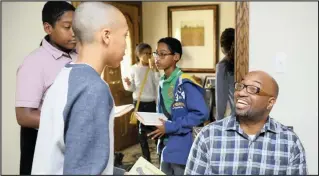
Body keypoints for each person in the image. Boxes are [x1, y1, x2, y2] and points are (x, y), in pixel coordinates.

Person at [31, 2, 129, 175]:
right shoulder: (93, 89)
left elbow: (75, 157)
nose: (126, 47)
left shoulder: (66, 75)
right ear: (106, 35)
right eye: (124, 36)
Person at [185, 70, 308, 175]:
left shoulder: (290, 143)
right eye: (241, 86)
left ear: (270, 102)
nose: (241, 93)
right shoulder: (209, 136)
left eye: (253, 89)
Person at [15, 1, 76, 175]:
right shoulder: (34, 63)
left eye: (76, 27)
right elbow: (24, 116)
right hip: (43, 144)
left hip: (71, 143)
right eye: (67, 27)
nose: (74, 33)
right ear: (48, 28)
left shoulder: (79, 55)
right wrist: (71, 122)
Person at [148, 37, 209, 175]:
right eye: (156, 53)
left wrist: (170, 127)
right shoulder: (163, 81)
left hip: (182, 145)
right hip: (165, 144)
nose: (157, 58)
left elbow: (201, 113)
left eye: (163, 54)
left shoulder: (184, 82)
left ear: (176, 57)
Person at [123, 43, 161, 163]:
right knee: (141, 132)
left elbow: (158, 84)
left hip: (151, 103)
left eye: (150, 53)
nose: (149, 56)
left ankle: (160, 155)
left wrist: (155, 70)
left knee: (156, 131)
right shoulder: (133, 69)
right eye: (146, 53)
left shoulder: (152, 69)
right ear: (139, 55)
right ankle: (146, 159)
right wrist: (128, 83)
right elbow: (131, 88)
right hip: (139, 103)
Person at [215, 28, 235, 120]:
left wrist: (218, 122)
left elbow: (221, 100)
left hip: (235, 116)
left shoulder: (222, 66)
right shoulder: (244, 62)